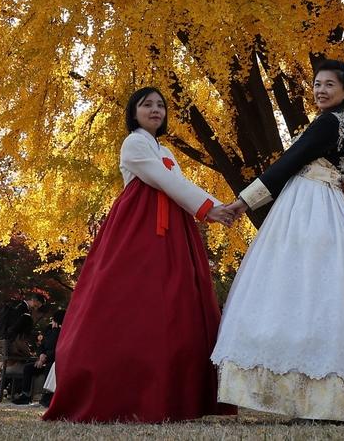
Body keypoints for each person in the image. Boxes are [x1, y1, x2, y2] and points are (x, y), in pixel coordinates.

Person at [212, 59, 344, 423]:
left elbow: (289, 161)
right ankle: (320, 397)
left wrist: (244, 202)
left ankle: (303, 396)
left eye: (329, 85)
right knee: (323, 294)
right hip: (322, 206)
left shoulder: (328, 123)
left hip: (313, 209)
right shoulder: (339, 122)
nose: (321, 90)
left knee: (299, 288)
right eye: (317, 84)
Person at [43, 86, 236, 423]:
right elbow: (163, 180)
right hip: (139, 228)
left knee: (176, 304)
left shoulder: (166, 150)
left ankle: (175, 393)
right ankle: (116, 387)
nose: (155, 110)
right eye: (147, 105)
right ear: (133, 112)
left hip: (173, 229)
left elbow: (179, 185)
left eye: (161, 105)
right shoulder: (133, 143)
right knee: (131, 301)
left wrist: (216, 207)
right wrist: (211, 208)